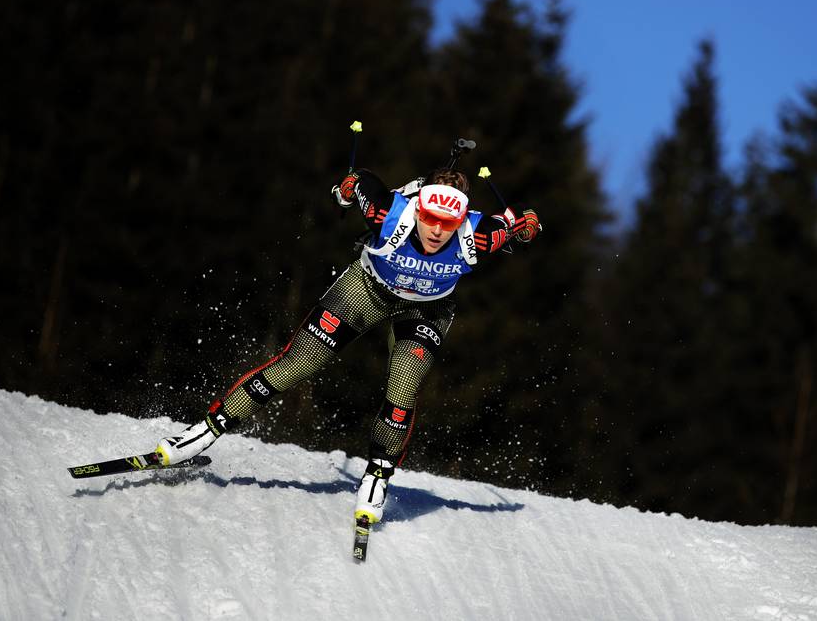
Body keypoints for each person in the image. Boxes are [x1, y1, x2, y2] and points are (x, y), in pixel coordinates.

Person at [153, 164, 541, 526]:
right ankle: (203, 433)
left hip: (426, 309)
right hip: (366, 290)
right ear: (417, 208)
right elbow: (363, 180)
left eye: (448, 223)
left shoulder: (480, 235)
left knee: (403, 387)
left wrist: (526, 227)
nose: (438, 231)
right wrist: (347, 187)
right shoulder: (388, 213)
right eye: (430, 219)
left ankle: (378, 474)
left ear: (462, 221)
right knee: (298, 364)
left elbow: (515, 226)